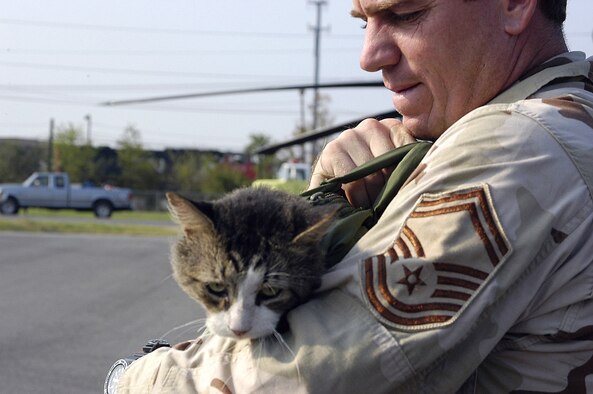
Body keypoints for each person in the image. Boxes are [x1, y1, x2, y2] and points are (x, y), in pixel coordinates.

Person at [117, 0, 593, 392]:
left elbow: (310, 372)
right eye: (365, 22)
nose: (369, 56)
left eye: (407, 14)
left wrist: (128, 379)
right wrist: (325, 210)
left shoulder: (517, 148)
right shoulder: (573, 118)